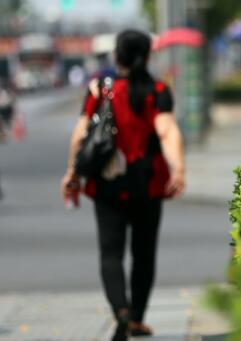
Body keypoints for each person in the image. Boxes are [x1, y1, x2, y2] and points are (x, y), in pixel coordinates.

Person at [61, 30, 186, 341]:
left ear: (117, 57)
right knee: (144, 254)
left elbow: (80, 135)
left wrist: (72, 173)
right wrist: (178, 169)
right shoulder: (157, 90)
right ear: (148, 56)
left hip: (108, 183)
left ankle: (122, 313)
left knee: (110, 253)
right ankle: (138, 317)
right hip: (148, 183)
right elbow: (167, 130)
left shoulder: (100, 91)